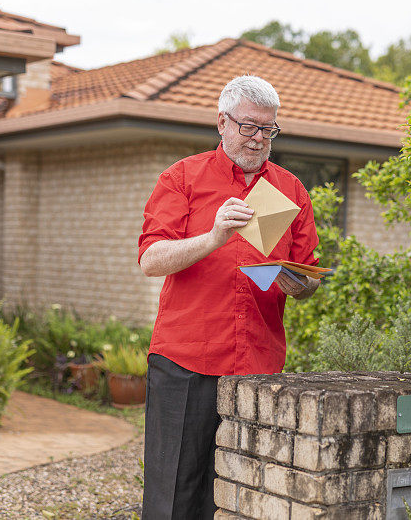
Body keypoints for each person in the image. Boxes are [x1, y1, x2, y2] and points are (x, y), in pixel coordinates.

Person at [137, 75, 321, 519]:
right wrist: (214, 236)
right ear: (222, 122)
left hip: (257, 365)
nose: (259, 139)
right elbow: (152, 259)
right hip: (187, 361)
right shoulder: (182, 178)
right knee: (175, 494)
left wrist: (296, 284)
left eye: (268, 130)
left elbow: (308, 274)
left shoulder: (289, 190)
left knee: (251, 493)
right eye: (248, 126)